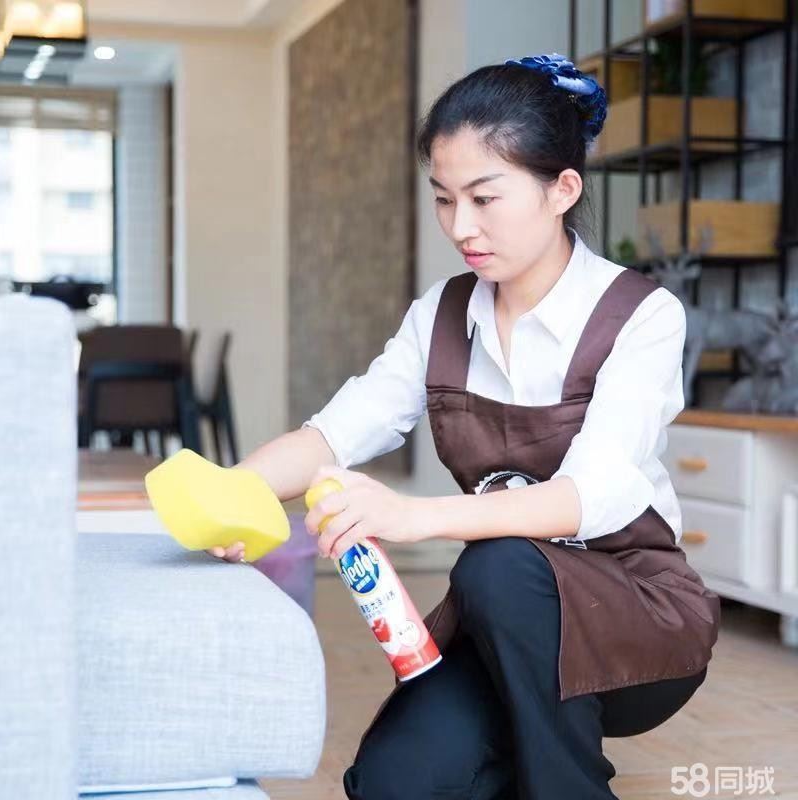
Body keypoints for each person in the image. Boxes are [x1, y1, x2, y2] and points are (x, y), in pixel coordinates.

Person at [210, 54, 721, 799]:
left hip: (636, 620)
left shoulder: (641, 315)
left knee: (499, 562)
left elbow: (592, 496)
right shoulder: (442, 314)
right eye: (445, 200)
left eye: (484, 198)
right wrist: (233, 496)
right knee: (393, 784)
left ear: (562, 189)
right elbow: (332, 434)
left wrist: (412, 516)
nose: (461, 226)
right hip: (502, 619)